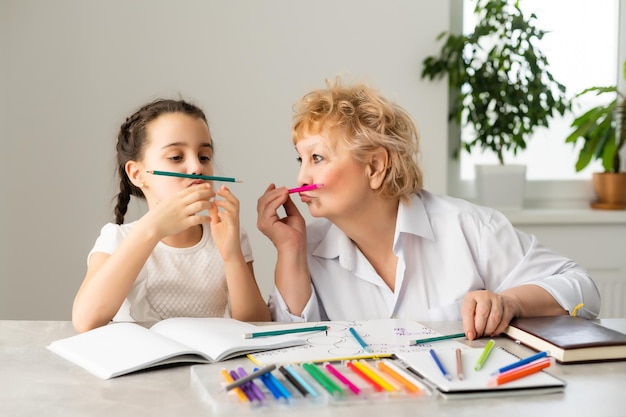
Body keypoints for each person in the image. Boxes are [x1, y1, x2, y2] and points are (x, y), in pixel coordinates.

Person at [257, 77, 600, 340]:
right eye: (300, 159)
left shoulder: (468, 227)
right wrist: (289, 252)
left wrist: (511, 303)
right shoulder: (306, 251)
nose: (301, 176)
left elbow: (581, 287)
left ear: (375, 167)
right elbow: (286, 346)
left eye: (317, 158)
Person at [73, 98, 270, 332]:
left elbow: (256, 325)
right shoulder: (116, 239)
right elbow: (86, 321)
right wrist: (152, 229)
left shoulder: (229, 235)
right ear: (137, 174)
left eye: (204, 156)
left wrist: (232, 256)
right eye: (176, 157)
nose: (197, 167)